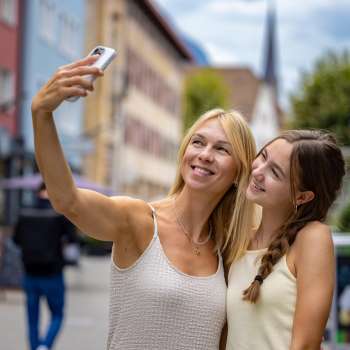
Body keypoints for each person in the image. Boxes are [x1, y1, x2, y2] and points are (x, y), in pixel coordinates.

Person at [30, 55, 257, 350]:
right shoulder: (138, 220)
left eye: (222, 149)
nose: (204, 154)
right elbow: (67, 200)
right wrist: (41, 114)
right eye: (198, 142)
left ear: (239, 172)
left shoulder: (230, 248)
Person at [226, 130, 346, 350]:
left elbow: (306, 345)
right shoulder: (240, 242)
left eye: (275, 173)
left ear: (302, 197)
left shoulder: (312, 238)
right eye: (263, 156)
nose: (259, 171)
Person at [13, 182, 77, 350]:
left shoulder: (24, 212)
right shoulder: (59, 214)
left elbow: (16, 240)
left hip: (30, 273)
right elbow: (73, 239)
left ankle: (35, 347)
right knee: (57, 314)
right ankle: (45, 345)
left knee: (32, 317)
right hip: (52, 273)